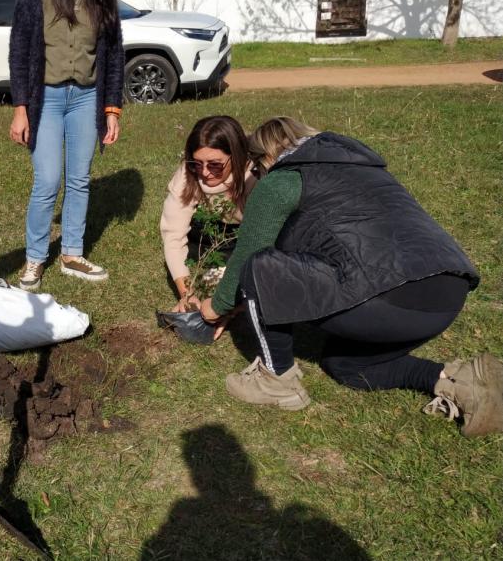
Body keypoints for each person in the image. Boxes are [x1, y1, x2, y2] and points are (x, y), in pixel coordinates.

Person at [196, 118, 499, 437]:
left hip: (391, 295)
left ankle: (276, 380)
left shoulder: (283, 178)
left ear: (264, 158)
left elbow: (249, 255)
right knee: (344, 365)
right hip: (446, 294)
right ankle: (459, 381)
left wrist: (213, 309)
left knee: (259, 266)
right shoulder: (365, 168)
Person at [8, 0, 123, 291]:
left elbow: (114, 55)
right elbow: (20, 50)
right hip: (48, 100)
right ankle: (35, 259)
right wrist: (21, 107)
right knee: (47, 180)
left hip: (86, 99)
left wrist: (111, 108)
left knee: (79, 180)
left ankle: (72, 253)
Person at [160, 115, 257, 313]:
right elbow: (173, 236)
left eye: (215, 164)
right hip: (211, 230)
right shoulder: (188, 175)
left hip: (248, 231)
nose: (204, 172)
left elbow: (262, 238)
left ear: (236, 156)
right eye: (197, 163)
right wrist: (188, 295)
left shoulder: (257, 175)